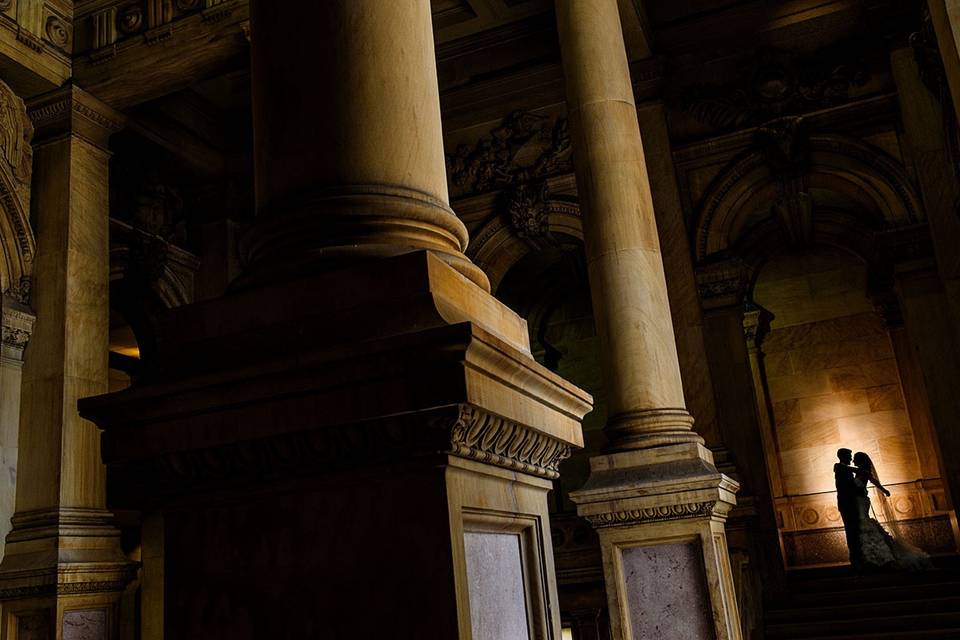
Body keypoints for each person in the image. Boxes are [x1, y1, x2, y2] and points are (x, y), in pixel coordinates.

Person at [852, 451, 932, 571]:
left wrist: (884, 490)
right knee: (864, 522)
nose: (853, 461)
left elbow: (874, 481)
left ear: (860, 461)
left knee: (864, 521)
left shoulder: (863, 472)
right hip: (858, 501)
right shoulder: (857, 472)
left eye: (855, 459)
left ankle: (878, 553)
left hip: (862, 501)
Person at [834, 448, 864, 569]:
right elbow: (850, 483)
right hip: (846, 504)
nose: (851, 459)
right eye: (849, 456)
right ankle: (855, 558)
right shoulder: (839, 466)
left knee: (854, 530)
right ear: (843, 456)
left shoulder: (844, 469)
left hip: (851, 503)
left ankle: (857, 556)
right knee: (851, 531)